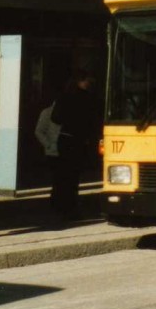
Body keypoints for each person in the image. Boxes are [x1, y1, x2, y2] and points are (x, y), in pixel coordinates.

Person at [50, 70, 97, 220]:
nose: (90, 82)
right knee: (73, 175)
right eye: (88, 80)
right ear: (82, 81)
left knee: (62, 173)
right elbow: (92, 121)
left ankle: (58, 204)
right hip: (78, 140)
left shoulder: (64, 96)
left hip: (64, 138)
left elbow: (55, 118)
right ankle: (70, 206)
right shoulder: (87, 98)